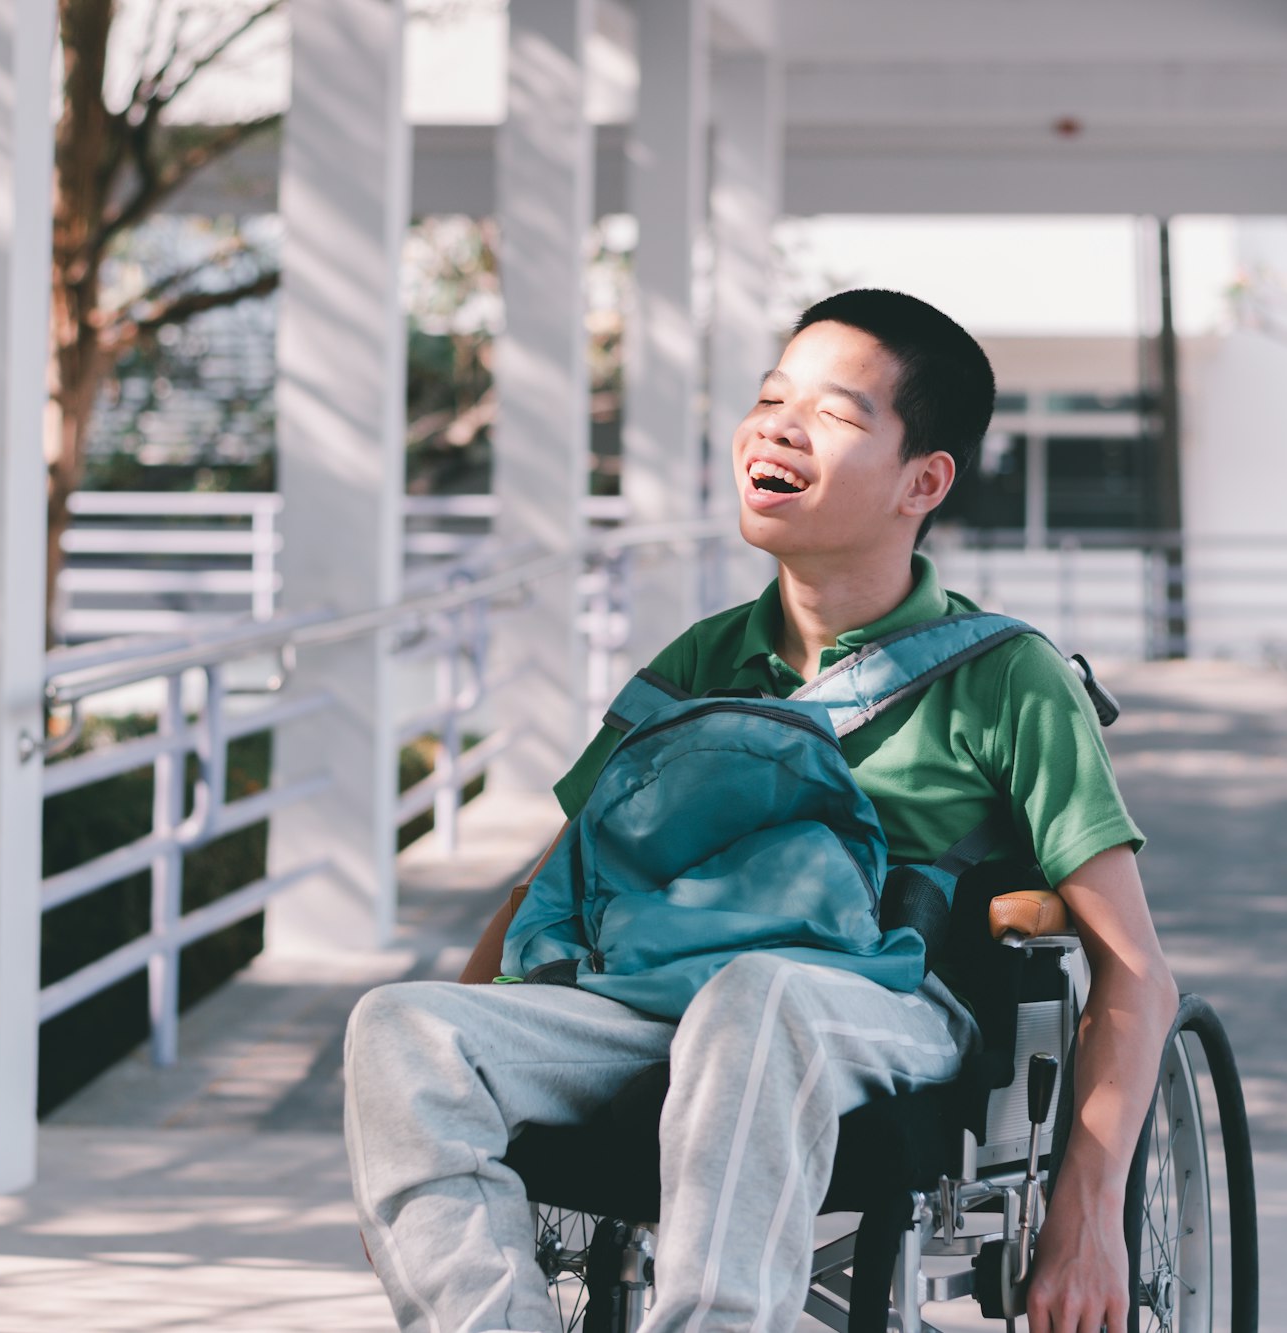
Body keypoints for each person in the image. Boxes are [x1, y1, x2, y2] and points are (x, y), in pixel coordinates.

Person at [344, 288, 1178, 1333]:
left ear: (922, 480)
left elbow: (1135, 969)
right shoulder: (698, 661)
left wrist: (1087, 1213)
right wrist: (423, 1117)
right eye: (769, 398)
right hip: (651, 997)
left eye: (832, 413)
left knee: (757, 997)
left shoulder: (1009, 678)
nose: (775, 426)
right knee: (399, 1025)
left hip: (885, 1004)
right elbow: (545, 882)